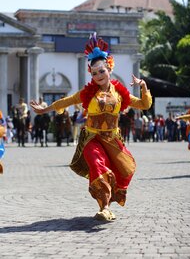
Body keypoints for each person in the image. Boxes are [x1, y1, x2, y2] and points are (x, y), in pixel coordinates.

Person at [30, 33, 152, 221]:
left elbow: (144, 105)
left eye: (101, 71)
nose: (98, 76)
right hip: (91, 138)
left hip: (112, 140)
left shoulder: (120, 93)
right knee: (97, 165)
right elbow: (66, 100)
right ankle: (103, 207)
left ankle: (109, 202)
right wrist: (44, 109)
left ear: (109, 68)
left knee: (124, 171)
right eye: (94, 73)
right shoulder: (88, 93)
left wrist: (143, 86)